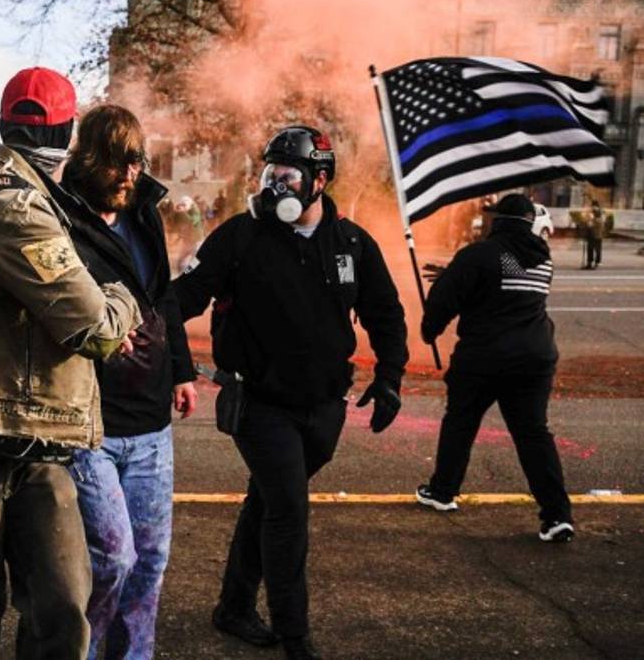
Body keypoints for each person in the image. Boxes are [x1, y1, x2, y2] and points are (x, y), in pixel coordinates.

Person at [0, 66, 142, 660]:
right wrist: (124, 296)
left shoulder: (16, 193)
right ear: (67, 133)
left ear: (3, 123)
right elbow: (94, 327)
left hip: (30, 445)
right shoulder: (18, 209)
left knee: (61, 614)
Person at [173, 125, 408, 660]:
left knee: (267, 502)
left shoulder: (351, 243)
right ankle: (295, 634)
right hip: (259, 404)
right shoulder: (240, 237)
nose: (274, 186)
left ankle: (233, 607)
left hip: (323, 408)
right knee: (287, 511)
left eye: (288, 176)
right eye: (270, 174)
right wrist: (175, 364)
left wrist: (390, 377)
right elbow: (178, 299)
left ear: (319, 181)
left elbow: (385, 313)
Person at [58, 104, 198, 660]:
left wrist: (182, 370)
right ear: (91, 159)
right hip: (89, 421)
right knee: (111, 558)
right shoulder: (60, 220)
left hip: (150, 421)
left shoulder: (143, 215)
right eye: (118, 161)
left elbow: (162, 297)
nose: (130, 174)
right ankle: (83, 649)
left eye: (136, 161)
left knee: (150, 562)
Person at [416, 193, 574, 543]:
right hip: (534, 359)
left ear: (498, 221)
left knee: (460, 422)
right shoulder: (542, 259)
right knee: (533, 434)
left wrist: (430, 329)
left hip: (484, 358)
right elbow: (502, 286)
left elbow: (447, 298)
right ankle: (557, 515)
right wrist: (457, 274)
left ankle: (443, 491)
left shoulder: (480, 254)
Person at [585, 200, 605, 269]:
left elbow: (601, 222)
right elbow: (588, 221)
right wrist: (588, 221)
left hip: (597, 234)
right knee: (590, 249)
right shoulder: (592, 213)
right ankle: (589, 262)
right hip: (591, 233)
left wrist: (593, 220)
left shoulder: (601, 213)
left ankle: (597, 263)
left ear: (597, 206)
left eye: (594, 206)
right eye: (592, 206)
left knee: (597, 249)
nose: (592, 208)